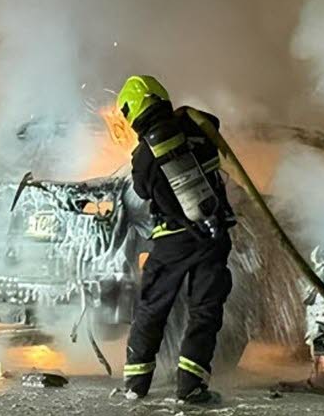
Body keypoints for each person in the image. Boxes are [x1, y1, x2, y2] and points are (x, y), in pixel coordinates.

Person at [116, 75, 236, 404]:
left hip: (173, 240)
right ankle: (191, 387)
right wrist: (186, 115)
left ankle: (136, 384)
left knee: (153, 307)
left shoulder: (144, 155)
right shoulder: (198, 128)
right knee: (205, 311)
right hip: (212, 236)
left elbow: (143, 190)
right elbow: (213, 125)